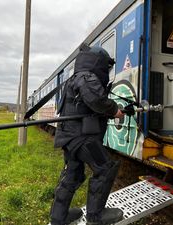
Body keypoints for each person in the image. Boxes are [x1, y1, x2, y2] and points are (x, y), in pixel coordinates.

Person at [50, 44, 125, 225]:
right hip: (82, 138)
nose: (107, 71)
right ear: (97, 63)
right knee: (106, 168)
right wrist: (115, 110)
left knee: (72, 175)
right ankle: (96, 216)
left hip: (69, 137)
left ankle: (58, 217)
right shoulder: (87, 77)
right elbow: (97, 100)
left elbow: (87, 104)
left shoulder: (75, 78)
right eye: (107, 67)